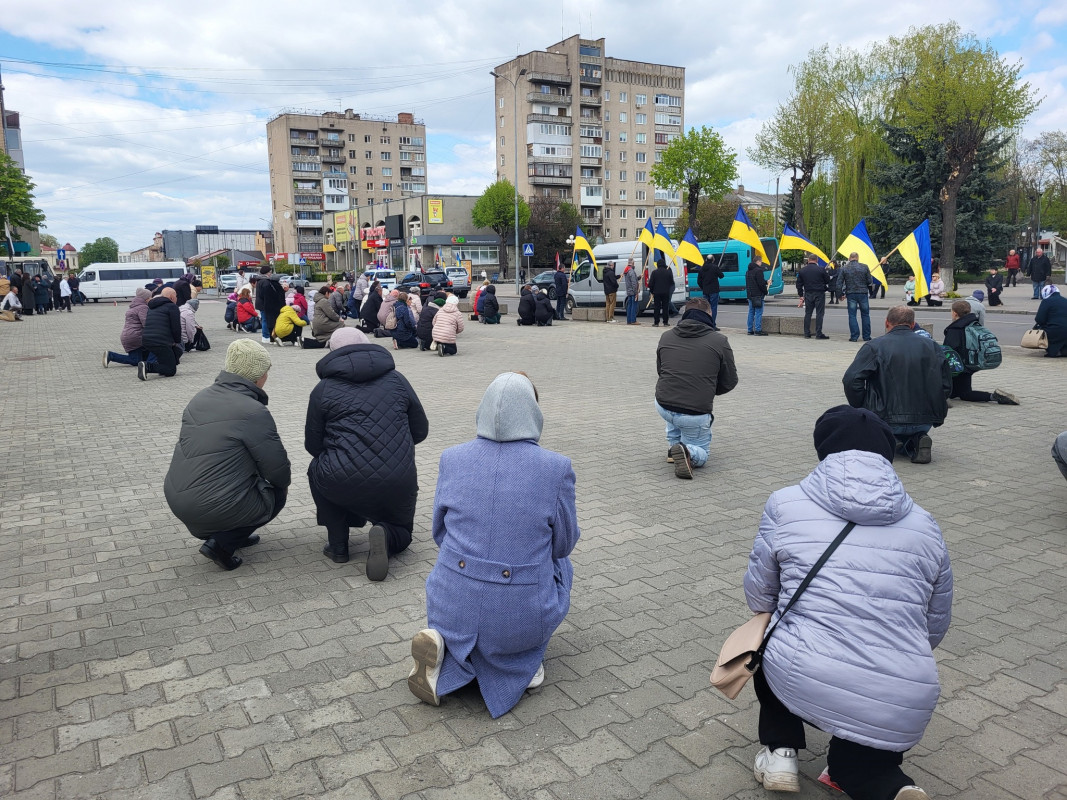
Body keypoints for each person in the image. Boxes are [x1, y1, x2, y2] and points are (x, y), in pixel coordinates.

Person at [744, 405, 952, 800]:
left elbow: (760, 596)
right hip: (905, 690)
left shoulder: (785, 503)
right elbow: (935, 622)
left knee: (770, 636)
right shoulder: (926, 524)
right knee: (865, 769)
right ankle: (887, 784)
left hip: (803, 669)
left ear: (823, 449)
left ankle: (781, 753)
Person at [408, 372, 579, 717]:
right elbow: (563, 544)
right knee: (560, 565)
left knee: (461, 568)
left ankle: (448, 650)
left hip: (449, 601)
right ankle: (525, 663)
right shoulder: (556, 468)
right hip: (518, 611)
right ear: (533, 412)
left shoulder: (451, 458)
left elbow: (439, 533)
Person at [305, 326, 428, 580]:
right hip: (398, 480)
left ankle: (338, 545)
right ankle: (386, 532)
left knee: (318, 468)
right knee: (403, 533)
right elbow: (421, 430)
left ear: (333, 353)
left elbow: (313, 446)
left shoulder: (323, 389)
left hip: (341, 480)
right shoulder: (397, 380)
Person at [164, 340, 290, 571]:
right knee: (277, 493)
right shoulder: (252, 411)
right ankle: (222, 544)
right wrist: (280, 484)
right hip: (210, 505)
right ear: (257, 375)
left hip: (178, 498)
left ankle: (235, 533)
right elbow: (277, 468)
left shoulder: (200, 397)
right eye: (266, 372)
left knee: (240, 478)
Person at [842, 306, 951, 463]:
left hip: (884, 416)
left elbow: (851, 380)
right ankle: (917, 438)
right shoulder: (933, 346)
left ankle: (892, 438)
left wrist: (862, 405)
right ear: (913, 325)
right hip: (925, 418)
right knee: (910, 428)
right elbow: (946, 384)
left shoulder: (875, 346)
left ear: (887, 323)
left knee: (864, 433)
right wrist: (935, 404)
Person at [655, 298, 738, 478]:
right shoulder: (720, 340)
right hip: (694, 412)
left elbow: (661, 371)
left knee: (674, 394)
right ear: (709, 315)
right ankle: (688, 452)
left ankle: (673, 447)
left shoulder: (666, 336)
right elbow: (730, 380)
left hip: (663, 405)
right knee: (702, 453)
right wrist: (705, 389)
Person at [943, 300, 1018, 404]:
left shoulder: (955, 329)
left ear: (955, 313)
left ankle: (994, 397)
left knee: (964, 394)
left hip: (959, 367)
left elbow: (948, 350)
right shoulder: (974, 323)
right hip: (971, 364)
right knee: (958, 392)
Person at [138, 287, 183, 381]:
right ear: (171, 297)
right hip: (160, 341)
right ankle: (147, 366)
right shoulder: (172, 307)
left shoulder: (152, 306)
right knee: (171, 370)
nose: (177, 298)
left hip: (147, 340)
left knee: (168, 358)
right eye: (176, 296)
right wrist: (177, 341)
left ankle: (161, 368)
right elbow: (176, 327)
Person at [104, 288, 154, 367]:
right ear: (145, 298)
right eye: (150, 297)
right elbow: (146, 323)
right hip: (136, 337)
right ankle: (111, 356)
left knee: (141, 358)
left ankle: (111, 356)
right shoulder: (143, 307)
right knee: (136, 360)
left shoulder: (133, 307)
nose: (151, 299)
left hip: (128, 336)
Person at [841, 252, 875, 342]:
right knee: (865, 315)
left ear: (849, 258)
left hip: (851, 294)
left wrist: (840, 294)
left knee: (852, 315)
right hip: (863, 293)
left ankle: (854, 336)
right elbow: (869, 281)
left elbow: (839, 283)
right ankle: (866, 336)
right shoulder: (864, 267)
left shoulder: (845, 268)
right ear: (857, 258)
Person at [796, 255, 830, 339]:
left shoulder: (802, 271)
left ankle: (806, 333)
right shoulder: (821, 269)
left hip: (808, 293)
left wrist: (801, 295)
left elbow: (798, 285)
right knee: (819, 313)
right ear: (817, 260)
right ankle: (818, 333)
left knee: (808, 313)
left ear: (808, 260)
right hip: (819, 293)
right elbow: (827, 280)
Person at [255, 265, 286, 345]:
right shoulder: (265, 281)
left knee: (264, 319)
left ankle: (265, 336)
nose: (270, 274)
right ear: (266, 272)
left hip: (260, 303)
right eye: (270, 272)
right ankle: (266, 336)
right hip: (264, 304)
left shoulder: (259, 280)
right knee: (266, 320)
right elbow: (266, 294)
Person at [1035, 284, 1067, 358]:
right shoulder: (1065, 300)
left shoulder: (1046, 301)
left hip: (1055, 331)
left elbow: (1039, 319)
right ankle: (1063, 350)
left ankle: (1053, 351)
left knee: (1041, 330)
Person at [698, 255, 725, 330]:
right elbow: (722, 276)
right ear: (713, 260)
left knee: (706, 308)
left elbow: (699, 281)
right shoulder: (714, 267)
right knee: (713, 308)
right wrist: (718, 269)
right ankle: (712, 324)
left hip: (705, 291)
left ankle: (706, 323)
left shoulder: (701, 269)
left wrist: (703, 287)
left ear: (706, 259)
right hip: (714, 290)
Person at [647, 258, 675, 328]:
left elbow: (651, 284)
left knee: (657, 307)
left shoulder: (654, 272)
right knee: (665, 307)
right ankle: (665, 322)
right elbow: (672, 282)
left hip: (657, 292)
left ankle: (656, 322)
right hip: (666, 292)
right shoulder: (668, 272)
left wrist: (652, 291)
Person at [745, 254, 769, 336]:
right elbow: (760, 284)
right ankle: (758, 330)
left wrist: (766, 281)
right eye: (761, 261)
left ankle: (750, 330)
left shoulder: (748, 272)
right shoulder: (759, 271)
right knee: (758, 312)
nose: (761, 263)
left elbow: (753, 282)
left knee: (751, 312)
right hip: (758, 295)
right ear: (758, 261)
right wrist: (765, 291)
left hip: (750, 294)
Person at [623, 258, 641, 325]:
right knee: (634, 306)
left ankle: (629, 320)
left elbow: (631, 280)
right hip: (633, 291)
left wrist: (638, 277)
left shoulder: (626, 270)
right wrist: (636, 292)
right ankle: (633, 320)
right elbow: (633, 282)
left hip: (629, 291)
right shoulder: (631, 271)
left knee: (629, 306)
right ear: (632, 263)